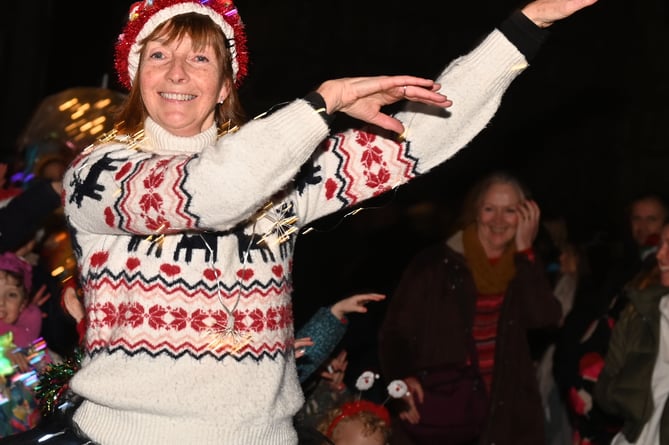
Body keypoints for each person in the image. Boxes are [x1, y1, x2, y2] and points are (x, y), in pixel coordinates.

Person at [1, 0, 597, 443]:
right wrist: (319, 107)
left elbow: (417, 136)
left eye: (199, 57)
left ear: (225, 82)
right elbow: (212, 190)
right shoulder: (101, 174)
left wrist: (525, 26)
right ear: (136, 74)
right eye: (159, 54)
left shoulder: (279, 175)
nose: (178, 72)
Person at [378, 171, 563, 445]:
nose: (499, 220)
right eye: (490, 209)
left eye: (510, 210)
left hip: (505, 416)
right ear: (475, 211)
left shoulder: (524, 267)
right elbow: (396, 331)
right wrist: (401, 378)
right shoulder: (435, 264)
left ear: (525, 216)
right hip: (442, 412)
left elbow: (544, 319)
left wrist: (526, 251)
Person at [552, 193, 669, 445]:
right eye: (637, 218)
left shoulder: (659, 273)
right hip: (600, 395)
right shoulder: (616, 266)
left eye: (652, 219)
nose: (643, 226)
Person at [593, 220, 669, 444]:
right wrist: (629, 395)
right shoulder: (639, 311)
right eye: (662, 244)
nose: (661, 255)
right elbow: (606, 388)